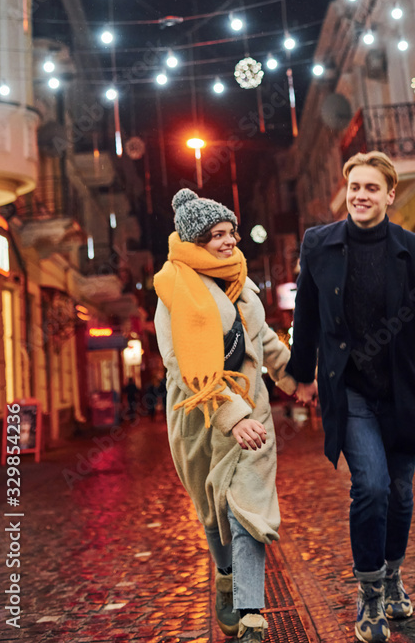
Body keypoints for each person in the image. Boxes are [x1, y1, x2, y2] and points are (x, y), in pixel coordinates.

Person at [287, 151, 415, 643]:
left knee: (401, 493)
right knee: (373, 487)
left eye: (371, 188)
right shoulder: (318, 244)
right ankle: (369, 596)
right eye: (354, 187)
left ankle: (392, 574)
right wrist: (303, 374)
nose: (360, 195)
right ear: (347, 192)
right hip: (352, 393)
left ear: (389, 194)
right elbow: (307, 314)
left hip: (403, 395)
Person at [154, 188, 297, 643]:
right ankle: (224, 576)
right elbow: (183, 366)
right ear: (195, 242)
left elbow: (266, 344)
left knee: (248, 514)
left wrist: (303, 380)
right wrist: (230, 417)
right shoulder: (173, 290)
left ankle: (251, 612)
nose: (228, 241)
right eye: (216, 235)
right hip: (201, 425)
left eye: (231, 232)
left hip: (252, 421)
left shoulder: (243, 284)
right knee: (214, 516)